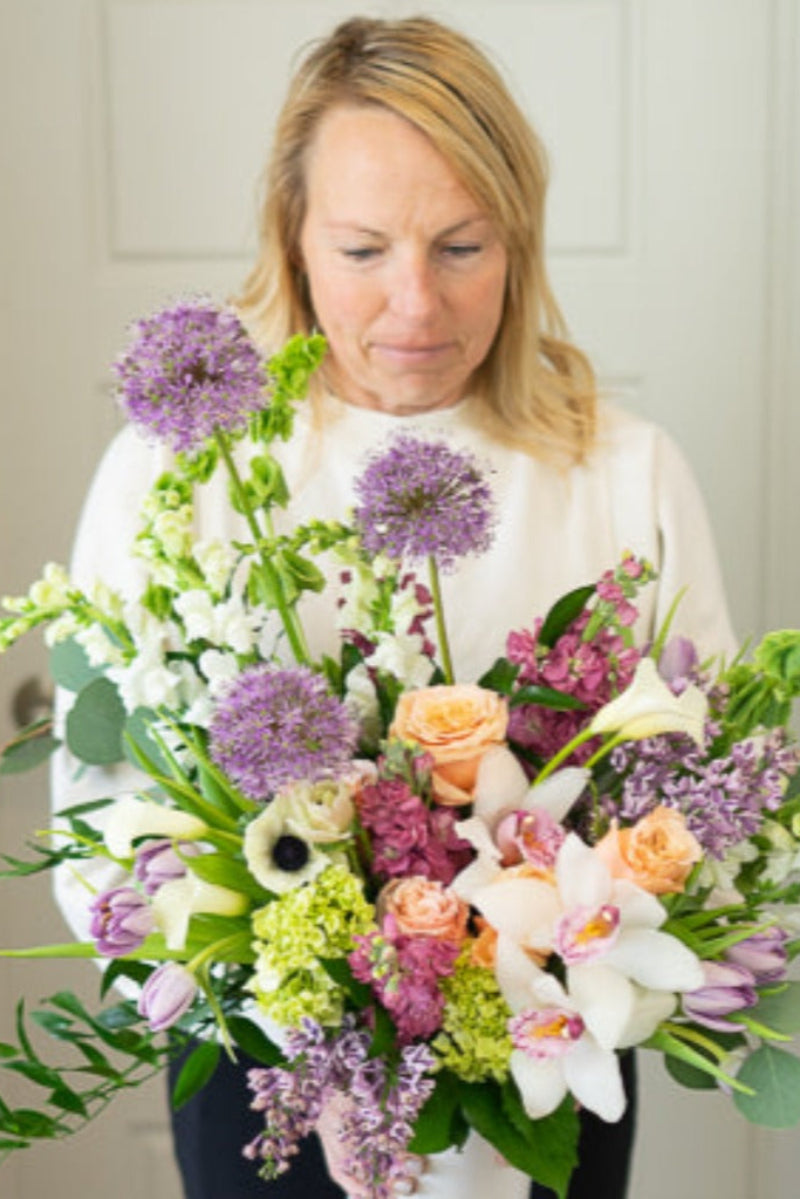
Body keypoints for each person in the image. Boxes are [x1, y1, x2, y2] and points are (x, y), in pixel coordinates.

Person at [51, 14, 737, 1199]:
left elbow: (711, 793)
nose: (414, 303)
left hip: (548, 1068)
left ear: (518, 239)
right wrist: (303, 1013)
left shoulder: (625, 470)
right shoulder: (182, 473)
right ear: (294, 239)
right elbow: (105, 819)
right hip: (266, 1081)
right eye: (364, 249)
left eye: (461, 244)